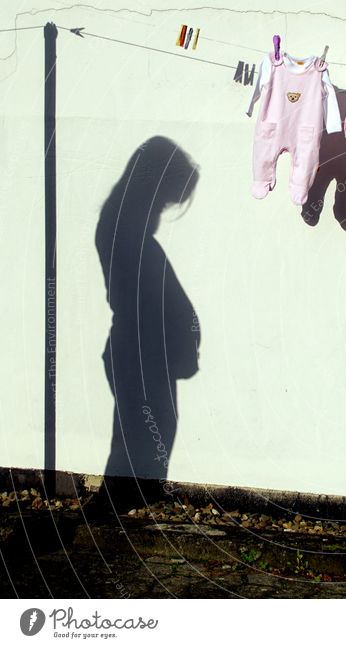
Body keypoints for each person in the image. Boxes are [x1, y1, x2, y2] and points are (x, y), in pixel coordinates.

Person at [93, 136, 200, 512]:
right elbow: (140, 298)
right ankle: (109, 510)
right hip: (136, 348)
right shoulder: (126, 236)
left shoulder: (124, 231)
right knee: (141, 426)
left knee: (144, 426)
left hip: (140, 348)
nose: (166, 206)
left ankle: (122, 503)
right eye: (168, 196)